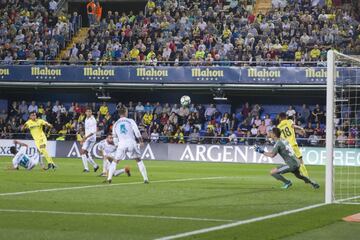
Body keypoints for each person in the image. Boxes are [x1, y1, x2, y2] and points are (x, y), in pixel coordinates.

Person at [254, 128, 319, 189]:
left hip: (291, 164)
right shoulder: (283, 140)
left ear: (274, 134)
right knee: (299, 176)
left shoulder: (278, 143)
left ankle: (287, 182)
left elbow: (272, 155)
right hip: (296, 162)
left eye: (271, 133)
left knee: (273, 172)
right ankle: (312, 182)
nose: (270, 134)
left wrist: (261, 151)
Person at [106, 107, 149, 184]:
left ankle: (109, 178)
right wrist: (141, 141)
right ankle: (145, 179)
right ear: (126, 112)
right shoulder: (130, 121)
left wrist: (116, 145)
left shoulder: (115, 124)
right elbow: (137, 131)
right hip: (131, 142)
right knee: (138, 160)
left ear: (119, 114)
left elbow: (114, 137)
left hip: (121, 143)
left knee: (115, 161)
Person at [277, 112, 309, 177]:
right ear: (286, 117)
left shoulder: (278, 127)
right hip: (293, 144)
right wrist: (301, 128)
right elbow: (293, 126)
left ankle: (279, 172)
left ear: (280, 118)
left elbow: (280, 137)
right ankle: (306, 176)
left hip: (286, 147)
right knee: (300, 160)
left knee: (292, 163)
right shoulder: (289, 121)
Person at [80, 108, 99, 172]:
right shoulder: (86, 119)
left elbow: (93, 131)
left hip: (91, 138)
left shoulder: (93, 120)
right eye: (88, 111)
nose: (89, 113)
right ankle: (95, 166)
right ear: (85, 112)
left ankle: (86, 168)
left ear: (91, 113)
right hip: (88, 137)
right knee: (86, 153)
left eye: (90, 111)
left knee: (82, 152)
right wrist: (84, 136)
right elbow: (87, 130)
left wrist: (85, 138)